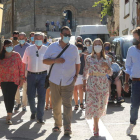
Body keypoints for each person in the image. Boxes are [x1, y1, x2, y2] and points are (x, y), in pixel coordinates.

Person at [43, 26, 80, 135]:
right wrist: (55, 60)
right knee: (56, 104)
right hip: (54, 80)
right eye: (66, 35)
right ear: (61, 35)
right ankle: (57, 124)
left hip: (68, 81)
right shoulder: (52, 47)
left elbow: (77, 63)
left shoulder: (74, 48)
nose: (67, 37)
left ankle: (67, 127)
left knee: (68, 104)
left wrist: (76, 76)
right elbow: (45, 60)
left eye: (69, 35)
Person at [83, 38, 112, 136]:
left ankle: (96, 123)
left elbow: (111, 73)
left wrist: (107, 67)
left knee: (100, 105)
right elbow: (85, 71)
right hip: (92, 83)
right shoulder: (89, 58)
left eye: (99, 44)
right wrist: (84, 83)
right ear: (93, 46)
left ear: (102, 46)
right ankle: (96, 126)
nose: (97, 46)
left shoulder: (107, 58)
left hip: (103, 83)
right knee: (94, 104)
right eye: (96, 44)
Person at [22, 32, 48, 124]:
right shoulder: (29, 49)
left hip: (43, 76)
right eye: (36, 39)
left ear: (43, 39)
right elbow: (24, 62)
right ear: (33, 39)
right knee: (30, 95)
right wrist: (23, 75)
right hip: (31, 75)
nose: (38, 40)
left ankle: (40, 117)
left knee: (42, 97)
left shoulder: (46, 49)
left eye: (40, 39)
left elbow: (49, 63)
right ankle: (33, 111)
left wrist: (48, 76)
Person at [0, 39, 24, 125]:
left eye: (11, 45)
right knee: (6, 97)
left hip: (14, 79)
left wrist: (22, 79)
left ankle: (9, 115)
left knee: (11, 96)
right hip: (3, 80)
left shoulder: (16, 55)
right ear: (4, 47)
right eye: (7, 45)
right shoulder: (1, 56)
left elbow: (21, 67)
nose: (9, 47)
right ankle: (9, 112)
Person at [124, 27, 140, 135]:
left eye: (135, 36)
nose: (133, 39)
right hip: (135, 82)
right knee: (134, 105)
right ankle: (132, 124)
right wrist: (126, 82)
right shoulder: (131, 50)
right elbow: (128, 67)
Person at [14, 32, 30, 111]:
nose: (21, 40)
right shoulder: (15, 47)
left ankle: (24, 104)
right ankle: (18, 102)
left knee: (25, 88)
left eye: (22, 38)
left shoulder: (29, 47)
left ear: (25, 38)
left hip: (26, 70)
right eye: (19, 39)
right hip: (17, 70)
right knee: (16, 87)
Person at [73, 42, 86, 110]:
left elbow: (86, 65)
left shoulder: (84, 56)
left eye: (80, 49)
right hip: (74, 75)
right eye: (77, 48)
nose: (78, 50)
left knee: (80, 88)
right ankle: (76, 104)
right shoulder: (72, 55)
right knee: (74, 90)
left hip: (81, 74)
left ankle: (81, 103)